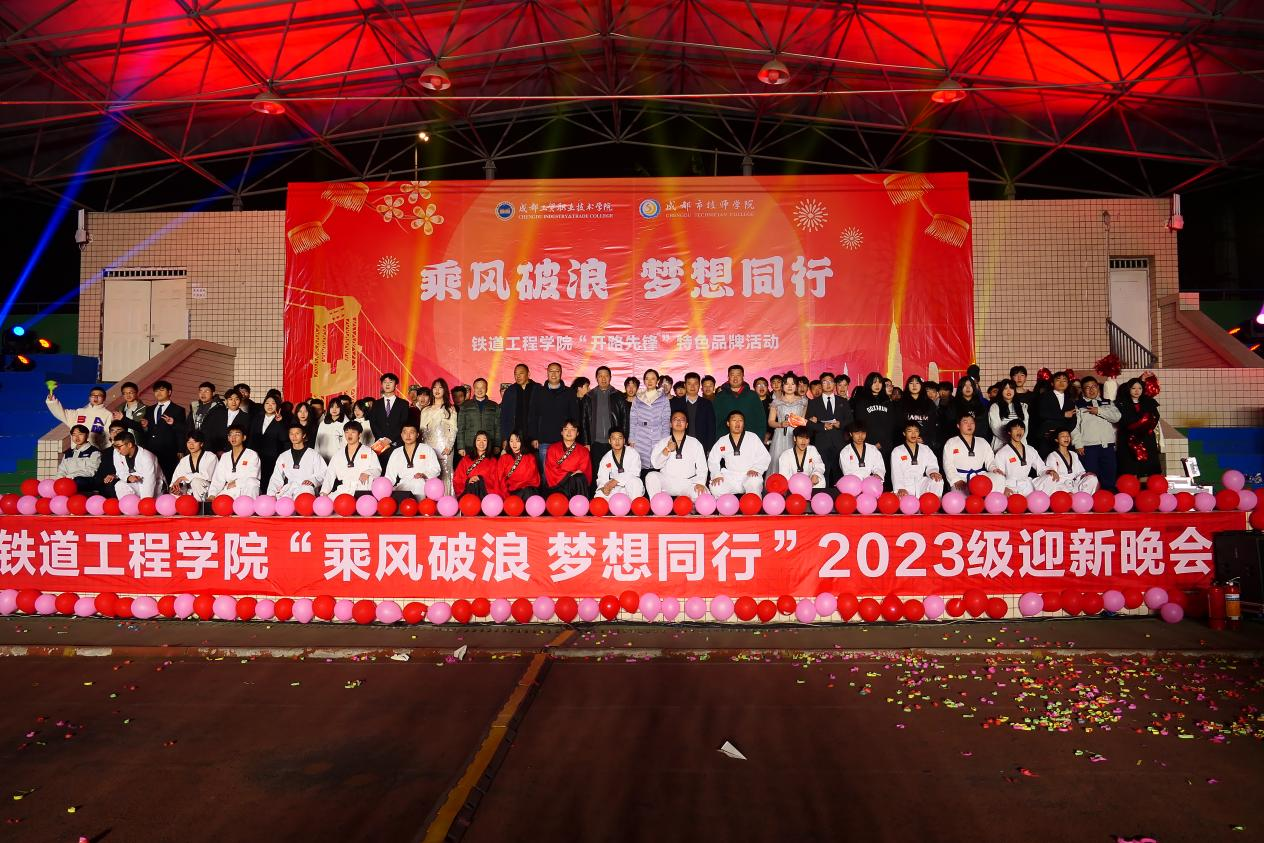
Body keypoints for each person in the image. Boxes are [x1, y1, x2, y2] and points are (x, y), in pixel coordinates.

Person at [646, 411, 709, 500]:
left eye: (682, 420)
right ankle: (657, 503)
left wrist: (700, 483)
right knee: (651, 476)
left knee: (703, 495)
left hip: (688, 482)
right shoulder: (663, 442)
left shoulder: (695, 442)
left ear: (686, 425)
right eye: (675, 419)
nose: (679, 422)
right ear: (670, 424)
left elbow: (702, 466)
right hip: (668, 482)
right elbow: (656, 465)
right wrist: (667, 449)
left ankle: (691, 504)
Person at [1073, 376, 1121, 491]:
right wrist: (1077, 443)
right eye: (1087, 387)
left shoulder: (1107, 402)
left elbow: (1116, 417)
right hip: (1088, 448)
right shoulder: (1078, 405)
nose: (1091, 390)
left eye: (1094, 386)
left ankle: (1108, 498)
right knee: (1091, 478)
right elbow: (1074, 427)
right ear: (1082, 390)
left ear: (1098, 387)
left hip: (1108, 447)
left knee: (1109, 476)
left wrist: (1099, 411)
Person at [529, 363, 581, 470]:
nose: (554, 374)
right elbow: (533, 416)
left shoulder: (569, 392)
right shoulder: (538, 392)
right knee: (545, 471)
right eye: (551, 371)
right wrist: (534, 437)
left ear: (561, 373)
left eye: (557, 371)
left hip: (564, 440)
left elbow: (575, 416)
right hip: (544, 439)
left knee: (564, 470)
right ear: (547, 373)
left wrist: (574, 436)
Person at [708, 410, 770, 496]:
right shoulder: (722, 440)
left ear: (743, 424)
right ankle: (728, 503)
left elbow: (764, 456)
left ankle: (753, 503)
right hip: (730, 476)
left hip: (749, 474)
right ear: (728, 423)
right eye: (734, 420)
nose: (737, 423)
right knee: (715, 487)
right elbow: (713, 460)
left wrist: (756, 469)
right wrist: (716, 475)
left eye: (740, 420)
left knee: (754, 482)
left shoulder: (752, 437)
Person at [806, 372, 852, 488]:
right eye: (825, 382)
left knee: (839, 474)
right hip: (821, 443)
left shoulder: (843, 401)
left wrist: (840, 424)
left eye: (830, 381)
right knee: (822, 474)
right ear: (821, 384)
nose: (828, 384)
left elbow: (850, 420)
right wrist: (823, 427)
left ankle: (840, 497)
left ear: (834, 384)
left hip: (839, 443)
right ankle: (821, 497)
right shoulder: (813, 403)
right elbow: (808, 423)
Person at [941, 414, 1004, 494]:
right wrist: (956, 479)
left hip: (980, 477)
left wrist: (994, 468)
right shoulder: (951, 442)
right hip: (961, 478)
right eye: (965, 422)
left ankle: (994, 500)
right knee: (960, 498)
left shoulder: (982, 441)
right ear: (958, 425)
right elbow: (947, 464)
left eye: (972, 422)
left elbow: (990, 460)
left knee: (999, 477)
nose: (969, 425)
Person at [581, 366, 629, 469]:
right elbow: (584, 421)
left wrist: (624, 439)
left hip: (614, 442)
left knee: (614, 470)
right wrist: (586, 442)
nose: (603, 379)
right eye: (600, 376)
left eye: (606, 376)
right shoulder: (588, 397)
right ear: (596, 378)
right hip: (595, 443)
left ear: (610, 378)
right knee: (597, 470)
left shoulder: (619, 396)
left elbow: (625, 419)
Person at [319, 420, 380, 498]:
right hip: (344, 489)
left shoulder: (368, 451)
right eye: (347, 432)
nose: (349, 435)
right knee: (327, 500)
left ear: (359, 434)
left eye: (353, 432)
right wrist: (324, 491)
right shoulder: (338, 454)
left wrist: (367, 472)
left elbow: (377, 469)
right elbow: (330, 474)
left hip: (362, 489)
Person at [1116, 376, 1162, 478]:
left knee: (1147, 468)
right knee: (1130, 467)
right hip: (1128, 439)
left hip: (1146, 438)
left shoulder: (1149, 402)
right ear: (1128, 389)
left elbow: (1155, 417)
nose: (1137, 391)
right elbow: (1123, 420)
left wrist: (1145, 427)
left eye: (1139, 388)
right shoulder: (1122, 403)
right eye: (1133, 388)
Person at [995, 419, 1056, 495]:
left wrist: (1049, 471)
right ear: (1009, 432)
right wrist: (1003, 488)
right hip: (1011, 487)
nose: (1019, 431)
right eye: (1015, 429)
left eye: (1022, 429)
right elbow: (999, 475)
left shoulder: (1030, 449)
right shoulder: (1002, 453)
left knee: (1051, 477)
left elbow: (1041, 467)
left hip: (1027, 485)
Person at [629, 369, 671, 477]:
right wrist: (632, 439)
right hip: (640, 436)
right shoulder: (638, 397)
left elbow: (666, 420)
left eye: (653, 378)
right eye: (647, 379)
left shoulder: (663, 398)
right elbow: (633, 420)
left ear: (657, 381)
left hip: (658, 435)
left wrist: (665, 439)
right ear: (644, 381)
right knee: (640, 466)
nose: (650, 381)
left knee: (657, 464)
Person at [419, 378, 459, 493]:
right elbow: (422, 431)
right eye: (434, 388)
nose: (437, 390)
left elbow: (454, 429)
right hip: (428, 447)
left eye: (440, 388)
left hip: (445, 447)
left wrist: (449, 446)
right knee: (429, 472)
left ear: (444, 390)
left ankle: (446, 500)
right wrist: (422, 449)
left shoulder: (450, 409)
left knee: (445, 473)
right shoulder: (425, 410)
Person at [266, 425, 327, 500]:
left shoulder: (314, 454)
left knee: (304, 500)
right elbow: (276, 477)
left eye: (297, 433)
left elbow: (323, 473)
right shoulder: (283, 456)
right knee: (283, 502)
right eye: (291, 434)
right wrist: (272, 493)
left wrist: (312, 481)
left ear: (303, 435)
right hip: (289, 489)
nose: (294, 436)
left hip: (307, 488)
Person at [767, 372, 808, 479]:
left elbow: (803, 422)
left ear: (796, 386)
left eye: (792, 384)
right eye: (787, 384)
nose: (790, 386)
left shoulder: (803, 402)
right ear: (782, 386)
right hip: (781, 436)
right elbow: (770, 422)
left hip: (797, 436)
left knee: (797, 462)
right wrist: (780, 424)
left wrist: (803, 422)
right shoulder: (776, 402)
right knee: (779, 462)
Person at [712, 364, 768, 443]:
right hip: (725, 441)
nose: (735, 378)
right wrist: (718, 440)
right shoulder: (720, 397)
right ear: (728, 377)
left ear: (743, 377)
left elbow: (761, 420)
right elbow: (714, 421)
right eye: (732, 375)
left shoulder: (752, 396)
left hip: (749, 441)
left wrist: (758, 440)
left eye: (738, 375)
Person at [384, 422, 440, 497]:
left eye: (412, 432)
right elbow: (389, 476)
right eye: (405, 432)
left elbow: (436, 469)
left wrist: (423, 475)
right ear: (401, 435)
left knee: (418, 483)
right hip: (403, 485)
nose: (408, 435)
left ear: (417, 435)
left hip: (422, 484)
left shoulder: (427, 449)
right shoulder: (396, 452)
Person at [45, 384, 111, 448]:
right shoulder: (79, 412)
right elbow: (61, 413)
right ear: (89, 397)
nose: (95, 397)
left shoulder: (108, 414)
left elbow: (108, 436)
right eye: (93, 395)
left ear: (104, 398)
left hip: (96, 451)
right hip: (76, 450)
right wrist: (52, 401)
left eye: (99, 395)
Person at [367, 372, 410, 467]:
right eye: (385, 382)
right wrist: (382, 439)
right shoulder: (376, 404)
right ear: (382, 384)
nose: (387, 384)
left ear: (395, 385)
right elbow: (373, 423)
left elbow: (403, 423)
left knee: (397, 469)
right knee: (380, 469)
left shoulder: (403, 404)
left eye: (390, 382)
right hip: (380, 444)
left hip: (397, 443)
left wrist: (390, 439)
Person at [889, 422, 943, 497]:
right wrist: (900, 487)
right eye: (910, 431)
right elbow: (896, 471)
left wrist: (933, 472)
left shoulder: (925, 449)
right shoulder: (897, 451)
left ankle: (934, 503)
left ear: (919, 433)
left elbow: (932, 463)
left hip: (921, 483)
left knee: (937, 481)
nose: (913, 434)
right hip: (905, 485)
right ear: (904, 433)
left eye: (916, 431)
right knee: (901, 499)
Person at [207, 425, 261, 499]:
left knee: (252, 482)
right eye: (231, 435)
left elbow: (253, 475)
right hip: (230, 489)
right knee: (218, 500)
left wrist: (237, 482)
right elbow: (218, 478)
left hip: (246, 489)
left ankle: (248, 505)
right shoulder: (225, 456)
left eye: (237, 434)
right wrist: (212, 494)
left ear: (244, 437)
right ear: (228, 438)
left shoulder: (252, 454)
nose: (233, 437)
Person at [246, 394, 286, 489]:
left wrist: (280, 422)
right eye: (267, 403)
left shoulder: (282, 419)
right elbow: (251, 436)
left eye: (273, 403)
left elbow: (284, 438)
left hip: (272, 457)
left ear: (278, 406)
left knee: (268, 482)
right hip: (256, 455)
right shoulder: (257, 418)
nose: (269, 406)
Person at [542, 419, 592, 497]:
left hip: (575, 484)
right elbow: (551, 469)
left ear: (577, 433)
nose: (569, 432)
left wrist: (571, 474)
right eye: (566, 429)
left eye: (573, 429)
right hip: (558, 484)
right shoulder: (552, 448)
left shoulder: (583, 451)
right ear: (561, 432)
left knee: (579, 477)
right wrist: (570, 473)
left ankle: (579, 503)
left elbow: (583, 470)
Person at [670, 371, 717, 453]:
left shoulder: (707, 404)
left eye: (695, 383)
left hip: (701, 446)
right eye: (689, 384)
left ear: (699, 385)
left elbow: (711, 428)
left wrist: (709, 449)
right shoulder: (675, 403)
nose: (692, 386)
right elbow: (670, 426)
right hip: (679, 445)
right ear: (685, 385)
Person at [1034, 370, 1077, 458]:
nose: (1061, 382)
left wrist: (1063, 432)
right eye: (1058, 380)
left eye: (1064, 380)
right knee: (1046, 461)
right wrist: (1063, 415)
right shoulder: (1044, 396)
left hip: (1062, 437)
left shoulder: (1070, 400)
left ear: (1068, 384)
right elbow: (1042, 413)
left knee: (1063, 461)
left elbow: (1073, 421)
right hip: (1046, 435)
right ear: (1052, 383)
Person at [456, 378, 501, 461]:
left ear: (486, 389)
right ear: (474, 389)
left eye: (482, 388)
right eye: (477, 388)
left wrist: (497, 445)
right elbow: (460, 427)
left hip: (489, 446)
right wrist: (461, 447)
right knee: (471, 468)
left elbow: (497, 427)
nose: (480, 390)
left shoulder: (494, 406)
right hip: (470, 445)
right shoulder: (465, 406)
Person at [594, 429, 644, 499]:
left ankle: (634, 504)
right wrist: (604, 488)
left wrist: (616, 480)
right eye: (614, 438)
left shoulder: (633, 453)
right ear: (609, 441)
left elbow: (635, 472)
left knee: (635, 481)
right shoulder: (606, 458)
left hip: (630, 485)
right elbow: (602, 477)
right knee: (599, 494)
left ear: (624, 440)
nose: (617, 441)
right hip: (615, 487)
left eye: (620, 438)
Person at [171, 430, 219, 502]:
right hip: (189, 492)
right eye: (189, 442)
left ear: (201, 444)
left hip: (208, 490)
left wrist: (183, 478)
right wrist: (176, 489)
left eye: (195, 442)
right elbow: (176, 479)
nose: (191, 445)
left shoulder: (210, 456)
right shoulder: (184, 460)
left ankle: (203, 506)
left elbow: (206, 475)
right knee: (174, 494)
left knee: (196, 481)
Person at [896, 375, 940, 453]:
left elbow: (933, 426)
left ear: (921, 385)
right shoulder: (901, 403)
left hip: (926, 445)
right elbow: (898, 426)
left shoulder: (929, 404)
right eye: (911, 383)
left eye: (917, 383)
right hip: (906, 445)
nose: (914, 386)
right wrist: (910, 438)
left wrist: (925, 439)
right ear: (907, 386)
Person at [112, 432, 163, 498]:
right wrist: (128, 477)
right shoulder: (118, 452)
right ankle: (128, 504)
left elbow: (150, 481)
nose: (117, 449)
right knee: (120, 485)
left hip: (154, 485)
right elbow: (120, 471)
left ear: (129, 445)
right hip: (137, 483)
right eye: (115, 446)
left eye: (118, 446)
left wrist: (145, 501)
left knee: (146, 499)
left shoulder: (147, 457)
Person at [453, 431, 503, 498]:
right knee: (473, 484)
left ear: (488, 443)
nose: (481, 443)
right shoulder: (466, 459)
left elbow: (496, 481)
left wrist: (480, 479)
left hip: (485, 494)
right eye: (478, 440)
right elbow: (457, 478)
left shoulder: (493, 461)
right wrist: (468, 480)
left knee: (476, 483)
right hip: (468, 492)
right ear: (475, 442)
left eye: (484, 440)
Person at [499, 364, 537, 451]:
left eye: (521, 373)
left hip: (532, 438)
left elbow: (541, 416)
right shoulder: (510, 391)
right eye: (515, 374)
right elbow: (504, 417)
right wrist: (505, 438)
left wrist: (537, 437)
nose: (518, 376)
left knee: (532, 459)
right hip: (514, 437)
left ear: (528, 374)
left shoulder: (537, 389)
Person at [777, 426, 827, 491]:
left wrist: (816, 474)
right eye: (801, 438)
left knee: (821, 479)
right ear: (795, 438)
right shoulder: (785, 455)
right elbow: (784, 476)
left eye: (807, 438)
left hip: (811, 484)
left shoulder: (812, 449)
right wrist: (798, 485)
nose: (804, 441)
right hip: (793, 486)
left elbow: (819, 464)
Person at [57, 424, 102, 494]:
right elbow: (62, 470)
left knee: (78, 481)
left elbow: (91, 471)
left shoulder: (94, 452)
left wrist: (70, 477)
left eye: (80, 434)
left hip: (84, 481)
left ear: (87, 435)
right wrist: (59, 480)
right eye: (74, 435)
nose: (77, 437)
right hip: (68, 481)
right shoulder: (68, 453)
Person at [497, 431, 542, 500]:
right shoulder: (504, 458)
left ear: (522, 442)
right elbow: (500, 478)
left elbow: (533, 478)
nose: (514, 444)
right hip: (511, 490)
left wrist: (518, 483)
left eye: (517, 441)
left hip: (527, 488)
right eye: (511, 441)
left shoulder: (530, 457)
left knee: (528, 492)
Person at [201, 388, 248, 454]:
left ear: (240, 401)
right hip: (214, 452)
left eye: (236, 399)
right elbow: (208, 433)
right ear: (226, 400)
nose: (233, 402)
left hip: (236, 453)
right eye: (230, 399)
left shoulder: (246, 417)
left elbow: (247, 438)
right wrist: (213, 451)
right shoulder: (216, 414)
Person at [987, 379, 1029, 451]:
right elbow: (996, 428)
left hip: (1020, 444)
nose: (1009, 391)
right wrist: (1011, 442)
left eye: (1011, 388)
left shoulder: (1022, 407)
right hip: (1001, 445)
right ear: (1001, 391)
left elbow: (1025, 427)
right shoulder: (995, 407)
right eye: (1005, 388)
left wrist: (1018, 441)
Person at [90, 421, 129, 497]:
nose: (115, 433)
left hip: (123, 481)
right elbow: (101, 471)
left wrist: (115, 476)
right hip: (107, 482)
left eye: (119, 430)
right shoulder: (106, 452)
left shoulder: (129, 449)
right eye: (112, 431)